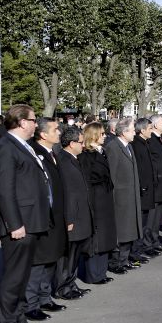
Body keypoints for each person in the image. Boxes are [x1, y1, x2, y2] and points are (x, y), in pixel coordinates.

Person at [0, 105, 51, 323]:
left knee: (23, 276)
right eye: (34, 120)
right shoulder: (5, 148)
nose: (36, 124)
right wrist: (15, 224)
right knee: (14, 277)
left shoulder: (23, 145)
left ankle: (19, 318)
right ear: (23, 122)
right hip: (18, 224)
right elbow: (4, 191)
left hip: (31, 221)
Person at [25, 118, 68, 322]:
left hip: (56, 216)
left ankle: (44, 298)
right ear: (43, 134)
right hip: (42, 216)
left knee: (51, 258)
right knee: (38, 262)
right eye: (55, 129)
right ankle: (31, 304)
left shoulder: (52, 153)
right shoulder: (34, 153)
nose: (59, 132)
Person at [53, 126, 94, 300]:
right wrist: (68, 219)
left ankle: (71, 284)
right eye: (81, 142)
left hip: (81, 214)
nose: (83, 145)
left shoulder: (74, 158)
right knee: (67, 256)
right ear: (71, 143)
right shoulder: (63, 160)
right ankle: (63, 288)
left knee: (75, 254)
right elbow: (66, 193)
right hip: (72, 216)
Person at [78, 123, 117, 285]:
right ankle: (94, 274)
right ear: (93, 135)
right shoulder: (86, 155)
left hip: (104, 198)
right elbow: (87, 179)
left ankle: (101, 272)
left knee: (105, 236)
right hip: (96, 200)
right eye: (101, 134)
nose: (105, 136)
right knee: (97, 238)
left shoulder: (101, 151)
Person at [104, 118, 142, 274]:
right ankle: (115, 262)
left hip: (130, 195)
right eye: (132, 130)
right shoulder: (113, 147)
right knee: (121, 232)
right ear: (124, 132)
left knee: (129, 231)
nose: (135, 133)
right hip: (120, 198)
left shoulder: (128, 146)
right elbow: (111, 175)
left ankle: (124, 260)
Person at [131, 118, 157, 260]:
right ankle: (135, 252)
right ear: (142, 130)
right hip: (143, 190)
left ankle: (139, 250)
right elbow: (139, 169)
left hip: (148, 189)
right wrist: (143, 187)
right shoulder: (137, 145)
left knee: (145, 223)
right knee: (140, 223)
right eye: (150, 128)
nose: (151, 131)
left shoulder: (145, 143)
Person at [147, 115, 162, 251]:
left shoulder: (159, 139)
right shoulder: (151, 140)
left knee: (157, 217)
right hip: (156, 184)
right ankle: (148, 244)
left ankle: (155, 241)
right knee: (152, 218)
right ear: (155, 125)